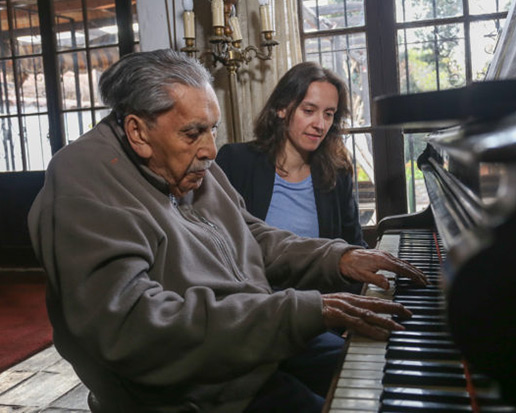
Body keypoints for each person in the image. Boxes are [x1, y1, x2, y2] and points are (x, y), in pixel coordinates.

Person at [27, 49, 427, 413]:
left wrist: (337, 257)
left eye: (212, 130)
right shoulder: (84, 182)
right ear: (137, 132)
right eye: (193, 133)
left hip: (252, 342)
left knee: (392, 369)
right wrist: (304, 310)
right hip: (201, 392)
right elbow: (133, 328)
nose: (210, 150)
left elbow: (251, 235)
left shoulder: (191, 160)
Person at [216, 62, 367, 248]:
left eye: (328, 114)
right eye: (309, 111)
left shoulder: (338, 175)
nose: (320, 125)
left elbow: (355, 248)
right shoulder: (236, 161)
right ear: (282, 108)